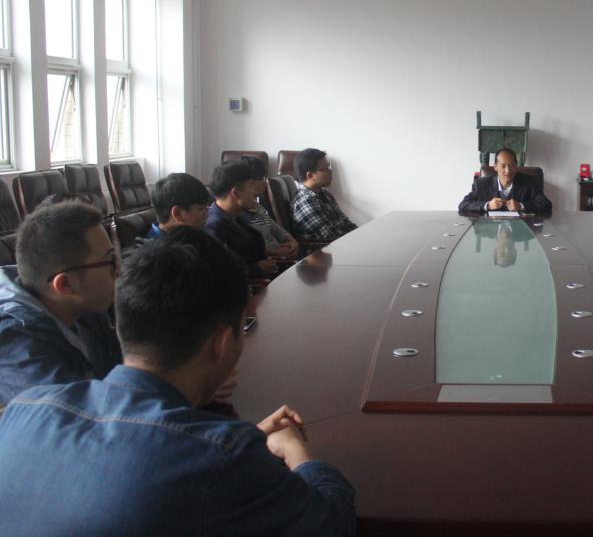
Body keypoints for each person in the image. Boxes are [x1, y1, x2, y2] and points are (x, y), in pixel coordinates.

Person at [0, 228, 357, 534]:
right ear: (222, 342)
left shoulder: (23, 410)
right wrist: (295, 451)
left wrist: (242, 443)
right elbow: (331, 523)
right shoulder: (221, 457)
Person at [0, 202, 121, 407]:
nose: (118, 270)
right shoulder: (19, 349)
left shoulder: (85, 303)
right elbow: (79, 418)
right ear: (65, 284)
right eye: (109, 261)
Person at [207, 161, 279, 279]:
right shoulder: (213, 226)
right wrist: (257, 268)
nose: (255, 192)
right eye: (251, 186)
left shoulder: (235, 217)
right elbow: (223, 272)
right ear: (236, 193)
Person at [239, 156, 299, 259]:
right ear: (251, 183)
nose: (265, 183)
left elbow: (277, 230)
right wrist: (276, 252)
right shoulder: (238, 215)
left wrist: (292, 242)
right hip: (272, 262)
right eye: (263, 178)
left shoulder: (256, 206)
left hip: (282, 256)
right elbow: (249, 250)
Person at [292, 148, 358, 242]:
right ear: (310, 175)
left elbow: (345, 222)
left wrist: (362, 233)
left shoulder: (325, 194)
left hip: (342, 242)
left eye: (328, 167)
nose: (330, 171)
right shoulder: (306, 202)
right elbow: (330, 237)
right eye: (325, 169)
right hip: (324, 249)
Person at [146, 172, 212, 240]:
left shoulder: (192, 235)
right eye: (201, 209)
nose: (207, 215)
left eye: (207, 208)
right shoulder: (156, 246)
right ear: (177, 213)